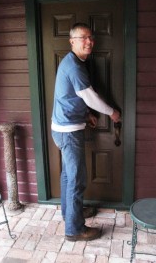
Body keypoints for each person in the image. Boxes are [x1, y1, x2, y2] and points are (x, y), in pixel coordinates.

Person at [51, 23, 121, 242]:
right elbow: (89, 96)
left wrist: (86, 115)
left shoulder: (74, 63)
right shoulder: (74, 66)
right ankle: (74, 230)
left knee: (68, 176)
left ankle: (69, 213)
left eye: (91, 37)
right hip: (68, 132)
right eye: (83, 38)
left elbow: (73, 97)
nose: (89, 41)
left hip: (63, 128)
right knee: (76, 180)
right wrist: (112, 113)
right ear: (72, 41)